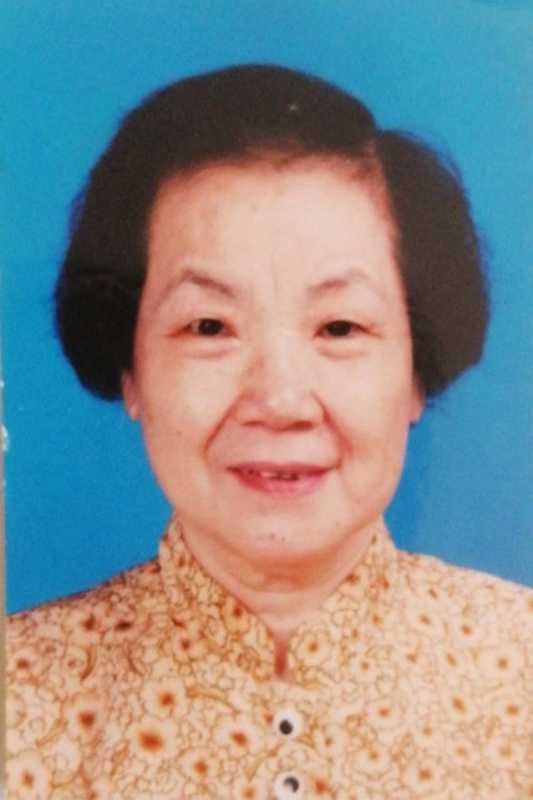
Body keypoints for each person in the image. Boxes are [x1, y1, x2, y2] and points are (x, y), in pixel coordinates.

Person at [6, 64, 532, 800]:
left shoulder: (518, 672)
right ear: (131, 370)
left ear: (418, 370)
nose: (280, 401)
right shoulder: (19, 699)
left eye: (339, 327)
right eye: (209, 327)